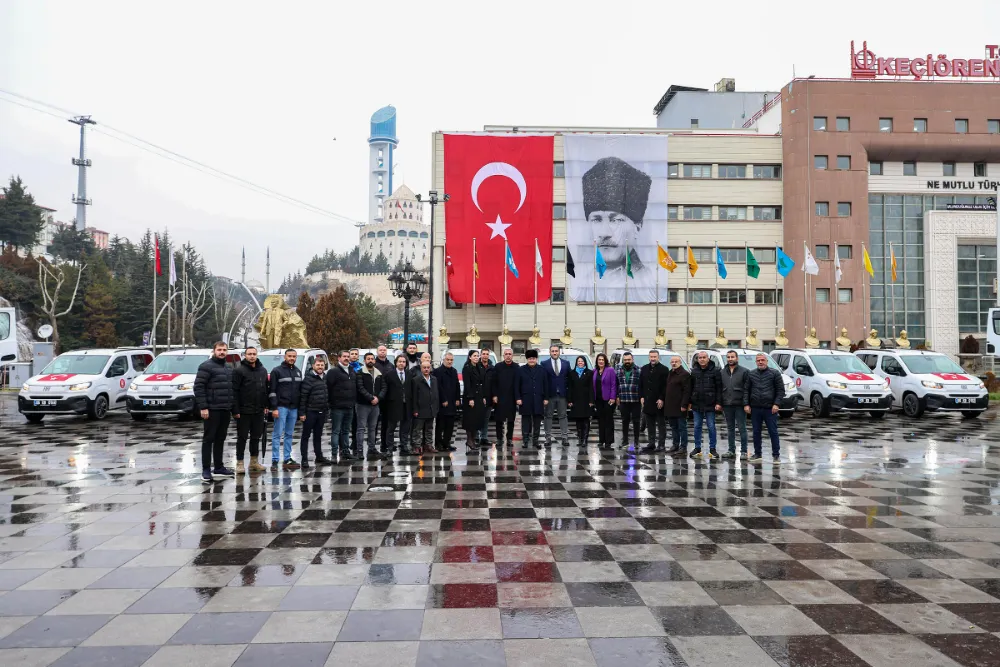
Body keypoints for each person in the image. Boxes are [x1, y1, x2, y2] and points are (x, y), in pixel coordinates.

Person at [570, 156, 656, 303]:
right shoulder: (582, 286)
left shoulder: (650, 283)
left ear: (637, 227)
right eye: (596, 219)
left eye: (615, 220)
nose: (604, 233)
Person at [194, 341, 236, 483]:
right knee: (208, 439)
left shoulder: (228, 367)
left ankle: (219, 467)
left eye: (224, 350)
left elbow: (231, 389)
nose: (222, 352)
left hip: (225, 409)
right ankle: (206, 470)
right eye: (219, 349)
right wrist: (203, 407)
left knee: (220, 439)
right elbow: (198, 387)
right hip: (211, 409)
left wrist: (233, 408)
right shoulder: (206, 366)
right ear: (214, 351)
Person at [232, 346, 269, 475]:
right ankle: (239, 463)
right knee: (242, 437)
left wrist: (266, 405)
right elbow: (234, 391)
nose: (252, 356)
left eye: (254, 354)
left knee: (256, 437)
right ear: (245, 355)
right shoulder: (239, 371)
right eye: (249, 354)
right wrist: (235, 410)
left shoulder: (263, 370)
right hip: (243, 411)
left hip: (258, 410)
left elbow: (265, 389)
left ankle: (254, 462)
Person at [744, 352, 785, 464]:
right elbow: (746, 390)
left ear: (767, 361)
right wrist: (746, 404)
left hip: (770, 408)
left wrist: (776, 404)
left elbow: (780, 390)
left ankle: (776, 455)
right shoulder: (751, 374)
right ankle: (758, 454)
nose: (760, 362)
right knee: (756, 432)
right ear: (756, 362)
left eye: (762, 360)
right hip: (755, 408)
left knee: (773, 432)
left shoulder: (775, 373)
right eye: (758, 360)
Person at [268, 348, 302, 468]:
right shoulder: (276, 371)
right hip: (281, 407)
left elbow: (299, 391)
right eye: (289, 356)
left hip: (293, 408)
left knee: (289, 434)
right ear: (285, 357)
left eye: (294, 356)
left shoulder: (298, 371)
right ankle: (275, 460)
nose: (292, 358)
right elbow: (272, 391)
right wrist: (274, 408)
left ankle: (287, 458)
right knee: (277, 434)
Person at [689, 351, 722, 460]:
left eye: (704, 357)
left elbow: (719, 388)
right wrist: (690, 401)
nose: (702, 359)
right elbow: (691, 387)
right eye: (700, 358)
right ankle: (697, 448)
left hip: (710, 403)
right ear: (697, 359)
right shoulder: (694, 371)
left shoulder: (715, 371)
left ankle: (712, 449)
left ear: (708, 359)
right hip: (697, 403)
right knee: (697, 426)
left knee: (711, 426)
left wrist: (718, 402)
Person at [298, 357, 330, 468]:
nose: (320, 367)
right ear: (313, 366)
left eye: (322, 365)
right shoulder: (308, 379)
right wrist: (302, 413)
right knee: (305, 436)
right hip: (310, 412)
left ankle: (319, 456)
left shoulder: (325, 378)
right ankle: (304, 459)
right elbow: (303, 397)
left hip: (322, 411)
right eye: (318, 365)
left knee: (318, 436)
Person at [326, 350, 358, 462]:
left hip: (350, 406)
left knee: (346, 431)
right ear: (339, 358)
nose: (346, 358)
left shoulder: (352, 371)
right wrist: (331, 403)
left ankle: (345, 452)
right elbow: (328, 388)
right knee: (336, 431)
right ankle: (334, 454)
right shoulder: (333, 372)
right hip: (337, 407)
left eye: (348, 356)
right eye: (344, 356)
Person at [515, 349, 549, 449]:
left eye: (533, 358)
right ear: (527, 359)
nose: (531, 360)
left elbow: (546, 385)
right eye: (530, 358)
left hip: (538, 398)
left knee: (537, 421)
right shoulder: (521, 370)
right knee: (525, 421)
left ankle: (535, 441)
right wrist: (518, 398)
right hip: (525, 398)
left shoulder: (542, 370)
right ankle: (525, 440)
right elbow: (516, 385)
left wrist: (546, 398)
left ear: (536, 359)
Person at [356, 352, 386, 461]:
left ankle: (371, 448)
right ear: (364, 361)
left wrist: (378, 398)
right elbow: (360, 388)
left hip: (375, 405)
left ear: (374, 361)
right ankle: (359, 451)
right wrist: (371, 398)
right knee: (361, 428)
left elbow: (384, 387)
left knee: (372, 428)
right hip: (363, 405)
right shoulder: (360, 372)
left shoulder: (379, 373)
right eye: (368, 359)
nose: (370, 360)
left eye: (372, 359)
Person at [720, 350, 749, 459]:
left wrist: (746, 404)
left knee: (742, 428)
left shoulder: (744, 371)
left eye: (732, 357)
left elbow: (747, 389)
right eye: (728, 357)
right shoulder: (722, 372)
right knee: (730, 428)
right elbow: (720, 389)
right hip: (727, 404)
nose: (730, 359)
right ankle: (731, 450)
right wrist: (720, 402)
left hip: (740, 405)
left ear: (737, 358)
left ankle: (744, 451)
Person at [540, 345, 571, 447]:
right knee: (548, 416)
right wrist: (544, 396)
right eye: (552, 351)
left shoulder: (566, 363)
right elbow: (543, 380)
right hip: (549, 395)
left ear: (559, 352)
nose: (554, 353)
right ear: (550, 352)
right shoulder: (544, 364)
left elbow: (569, 379)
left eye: (556, 351)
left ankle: (565, 438)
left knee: (563, 416)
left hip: (562, 395)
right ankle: (548, 438)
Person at [639, 350, 669, 454]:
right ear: (649, 357)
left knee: (661, 424)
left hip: (658, 401)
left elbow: (665, 386)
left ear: (658, 357)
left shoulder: (664, 369)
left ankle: (661, 445)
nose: (653, 358)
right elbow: (641, 384)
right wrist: (641, 396)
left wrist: (662, 398)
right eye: (651, 357)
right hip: (647, 401)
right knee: (650, 424)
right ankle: (651, 443)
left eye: (654, 357)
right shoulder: (644, 368)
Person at [409, 358, 440, 455]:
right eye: (424, 367)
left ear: (430, 368)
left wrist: (436, 407)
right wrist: (415, 409)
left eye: (428, 367)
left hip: (431, 409)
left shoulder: (434, 379)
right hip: (420, 409)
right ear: (421, 368)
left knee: (429, 429)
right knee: (417, 430)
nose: (426, 369)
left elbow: (436, 393)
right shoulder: (416, 380)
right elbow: (414, 396)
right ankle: (417, 446)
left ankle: (428, 445)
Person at [490, 348, 519, 447]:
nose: (508, 356)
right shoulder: (498, 366)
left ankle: (509, 438)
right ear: (503, 355)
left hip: (512, 397)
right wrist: (494, 395)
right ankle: (499, 438)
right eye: (506, 354)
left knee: (511, 420)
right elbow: (494, 382)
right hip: (500, 397)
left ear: (512, 355)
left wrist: (517, 397)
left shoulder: (516, 367)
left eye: (510, 354)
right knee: (499, 419)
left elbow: (518, 383)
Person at [663, 356, 691, 456]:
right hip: (670, 406)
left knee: (682, 427)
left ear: (680, 363)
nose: (674, 363)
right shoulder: (670, 373)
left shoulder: (685, 374)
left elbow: (687, 391)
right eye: (672, 362)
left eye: (676, 361)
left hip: (680, 406)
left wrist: (684, 405)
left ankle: (683, 447)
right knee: (673, 427)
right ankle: (675, 445)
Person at [382, 353, 409, 455]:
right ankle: (389, 447)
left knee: (405, 427)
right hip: (393, 404)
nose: (401, 363)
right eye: (400, 361)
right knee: (391, 427)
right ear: (396, 363)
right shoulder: (389, 374)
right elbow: (386, 389)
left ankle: (404, 445)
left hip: (406, 404)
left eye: (403, 362)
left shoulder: (409, 374)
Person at [433, 352, 460, 452]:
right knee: (440, 425)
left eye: (451, 360)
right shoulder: (437, 371)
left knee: (450, 425)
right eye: (447, 360)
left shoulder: (454, 371)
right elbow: (438, 387)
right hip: (442, 403)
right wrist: (443, 399)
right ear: (443, 360)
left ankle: (447, 443)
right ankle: (438, 443)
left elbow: (457, 385)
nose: (449, 362)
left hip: (452, 402)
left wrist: (457, 398)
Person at [461, 350, 487, 453]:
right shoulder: (467, 368)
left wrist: (483, 396)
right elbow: (467, 384)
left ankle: (473, 440)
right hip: (470, 396)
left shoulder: (479, 367)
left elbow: (482, 382)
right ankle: (469, 440)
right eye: (474, 356)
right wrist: (470, 398)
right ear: (470, 357)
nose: (476, 357)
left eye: (477, 356)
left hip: (479, 396)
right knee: (470, 420)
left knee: (477, 419)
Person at [616, 352, 641, 451]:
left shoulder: (638, 370)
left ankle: (636, 442)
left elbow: (642, 385)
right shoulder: (618, 370)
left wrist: (642, 397)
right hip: (623, 400)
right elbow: (616, 384)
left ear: (632, 360)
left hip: (636, 400)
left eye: (629, 360)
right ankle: (625, 441)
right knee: (625, 421)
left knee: (636, 421)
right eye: (625, 360)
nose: (627, 361)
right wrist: (617, 396)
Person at [592, 353, 618, 447]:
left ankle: (608, 441)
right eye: (599, 360)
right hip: (598, 399)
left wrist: (613, 397)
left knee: (608, 420)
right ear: (597, 361)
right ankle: (601, 440)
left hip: (608, 399)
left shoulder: (610, 370)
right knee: (601, 420)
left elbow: (614, 384)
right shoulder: (595, 371)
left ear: (605, 361)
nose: (601, 361)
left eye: (602, 360)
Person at [567, 355, 593, 446]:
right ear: (576, 363)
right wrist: (569, 400)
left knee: (586, 419)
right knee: (578, 420)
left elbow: (591, 387)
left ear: (585, 362)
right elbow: (570, 387)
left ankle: (585, 439)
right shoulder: (572, 373)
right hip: (576, 400)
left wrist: (591, 400)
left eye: (582, 361)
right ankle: (580, 439)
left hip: (586, 400)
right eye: (579, 361)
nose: (580, 363)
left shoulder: (589, 373)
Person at [477, 348, 494, 447]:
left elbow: (495, 383)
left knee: (486, 419)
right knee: (477, 418)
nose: (485, 356)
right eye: (483, 354)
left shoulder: (492, 367)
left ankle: (484, 438)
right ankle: (476, 438)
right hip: (478, 397)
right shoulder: (476, 366)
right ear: (480, 355)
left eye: (487, 354)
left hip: (489, 397)